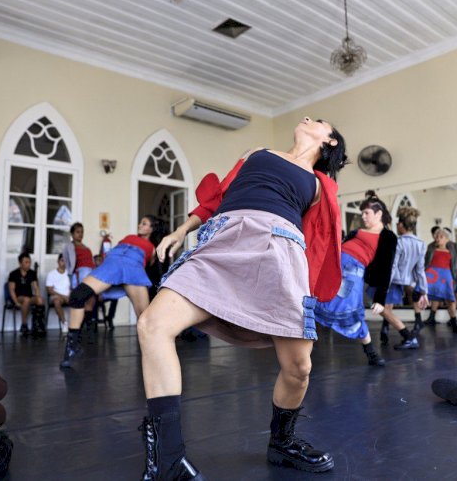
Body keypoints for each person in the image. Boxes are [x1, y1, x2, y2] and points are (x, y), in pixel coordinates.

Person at [135, 117, 347, 478]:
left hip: (280, 250)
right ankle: (168, 460)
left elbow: (325, 239)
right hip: (223, 241)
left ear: (329, 142)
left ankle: (282, 442)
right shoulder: (258, 152)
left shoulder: (319, 184)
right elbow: (217, 198)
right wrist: (180, 231)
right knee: (152, 324)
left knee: (299, 368)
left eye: (319, 121)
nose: (308, 118)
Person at [60, 215, 162, 368]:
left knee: (146, 321)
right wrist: (104, 245)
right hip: (112, 262)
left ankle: (156, 356)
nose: (140, 225)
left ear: (152, 229)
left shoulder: (153, 248)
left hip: (133, 266)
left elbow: (153, 268)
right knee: (77, 296)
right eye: (141, 222)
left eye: (144, 223)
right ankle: (72, 347)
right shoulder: (129, 237)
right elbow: (107, 252)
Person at [313, 190, 397, 366]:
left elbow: (386, 268)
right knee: (314, 302)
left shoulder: (388, 237)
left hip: (352, 277)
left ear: (379, 213)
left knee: (352, 314)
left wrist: (380, 299)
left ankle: (371, 352)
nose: (364, 217)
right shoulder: (357, 231)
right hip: (334, 270)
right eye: (362, 213)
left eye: (367, 213)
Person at [379, 206, 429, 350]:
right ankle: (386, 329)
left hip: (393, 281)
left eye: (397, 223)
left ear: (401, 225)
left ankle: (408, 337)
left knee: (383, 308)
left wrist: (384, 285)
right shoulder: (421, 244)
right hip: (404, 282)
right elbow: (420, 270)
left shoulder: (398, 242)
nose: (396, 225)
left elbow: (392, 266)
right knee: (387, 308)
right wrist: (424, 291)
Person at [424, 228, 457, 334]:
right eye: (437, 236)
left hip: (447, 275)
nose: (438, 239)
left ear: (447, 239)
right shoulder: (431, 248)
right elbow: (425, 262)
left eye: (441, 237)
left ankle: (454, 322)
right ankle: (429, 318)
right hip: (432, 274)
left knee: (450, 299)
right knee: (431, 296)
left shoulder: (452, 248)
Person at [61, 223, 96, 329]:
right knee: (82, 297)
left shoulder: (87, 248)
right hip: (79, 274)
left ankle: (88, 321)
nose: (80, 234)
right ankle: (79, 324)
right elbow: (67, 263)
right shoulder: (69, 247)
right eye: (77, 232)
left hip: (90, 273)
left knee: (92, 297)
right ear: (72, 233)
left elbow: (92, 263)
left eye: (82, 232)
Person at [8, 252, 45, 336]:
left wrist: (38, 297)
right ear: (20, 263)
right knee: (26, 299)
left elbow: (35, 288)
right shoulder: (13, 274)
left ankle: (38, 325)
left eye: (29, 262)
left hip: (29, 296)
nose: (28, 264)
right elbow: (11, 290)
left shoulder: (32, 273)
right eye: (26, 262)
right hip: (18, 297)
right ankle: (24, 324)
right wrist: (16, 302)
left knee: (40, 299)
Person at [46, 253, 71, 334]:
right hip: (57, 296)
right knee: (57, 301)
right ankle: (64, 323)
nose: (64, 263)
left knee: (81, 300)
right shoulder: (51, 274)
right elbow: (49, 290)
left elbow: (74, 287)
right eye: (62, 260)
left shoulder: (70, 273)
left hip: (69, 296)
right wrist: (63, 296)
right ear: (58, 261)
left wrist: (70, 295)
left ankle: (77, 325)